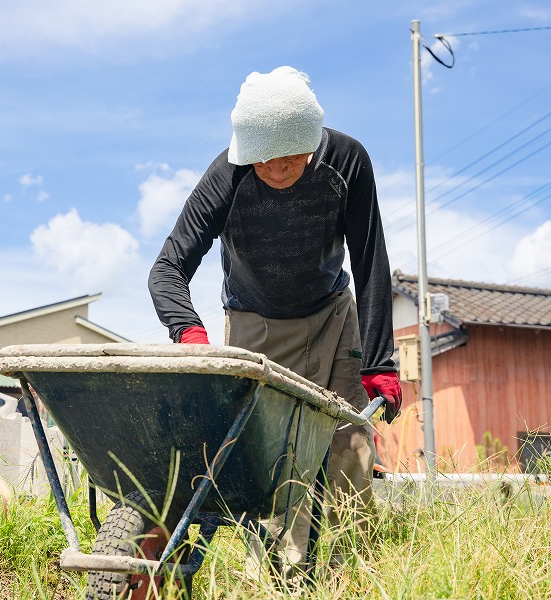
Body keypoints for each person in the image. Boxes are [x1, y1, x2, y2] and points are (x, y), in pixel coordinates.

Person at [148, 66, 402, 575]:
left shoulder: (347, 161)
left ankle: (356, 572)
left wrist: (380, 361)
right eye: (262, 162)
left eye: (287, 161)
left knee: (350, 448)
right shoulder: (227, 176)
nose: (275, 172)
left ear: (310, 145)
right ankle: (284, 577)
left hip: (333, 317)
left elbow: (369, 257)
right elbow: (168, 268)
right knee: (277, 463)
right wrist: (191, 335)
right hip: (256, 328)